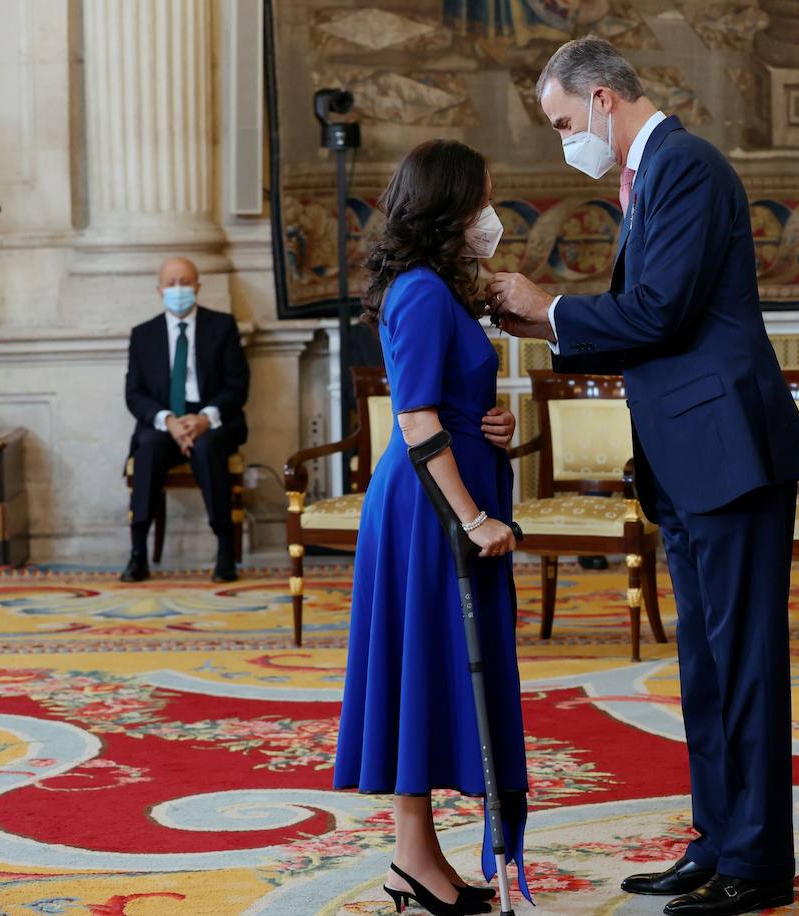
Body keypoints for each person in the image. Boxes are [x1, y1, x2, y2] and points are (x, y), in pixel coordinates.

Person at [488, 36, 799, 916]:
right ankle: (715, 841)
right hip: (689, 459)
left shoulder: (687, 166)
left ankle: (757, 864)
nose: (565, 141)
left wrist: (550, 307)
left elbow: (661, 311)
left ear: (602, 97)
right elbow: (647, 322)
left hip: (730, 455)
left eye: (563, 121)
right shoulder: (649, 174)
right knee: (706, 667)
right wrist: (545, 327)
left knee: (743, 665)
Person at [332, 139, 526, 916]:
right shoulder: (417, 291)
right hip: (429, 516)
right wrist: (475, 516)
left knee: (439, 670)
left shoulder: (440, 291)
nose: (491, 213)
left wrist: (492, 426)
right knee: (424, 667)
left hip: (446, 501)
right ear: (451, 206)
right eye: (483, 197)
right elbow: (414, 421)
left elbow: (444, 405)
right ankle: (411, 856)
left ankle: (420, 858)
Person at [123, 257, 249, 583]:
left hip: (211, 420)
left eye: (185, 282)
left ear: (198, 287)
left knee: (207, 449)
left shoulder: (222, 326)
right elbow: (134, 394)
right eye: (171, 283)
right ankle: (137, 553)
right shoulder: (143, 334)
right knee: (147, 447)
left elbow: (238, 385)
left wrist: (206, 418)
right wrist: (168, 421)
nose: (178, 289)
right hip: (165, 422)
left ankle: (224, 552)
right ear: (159, 289)